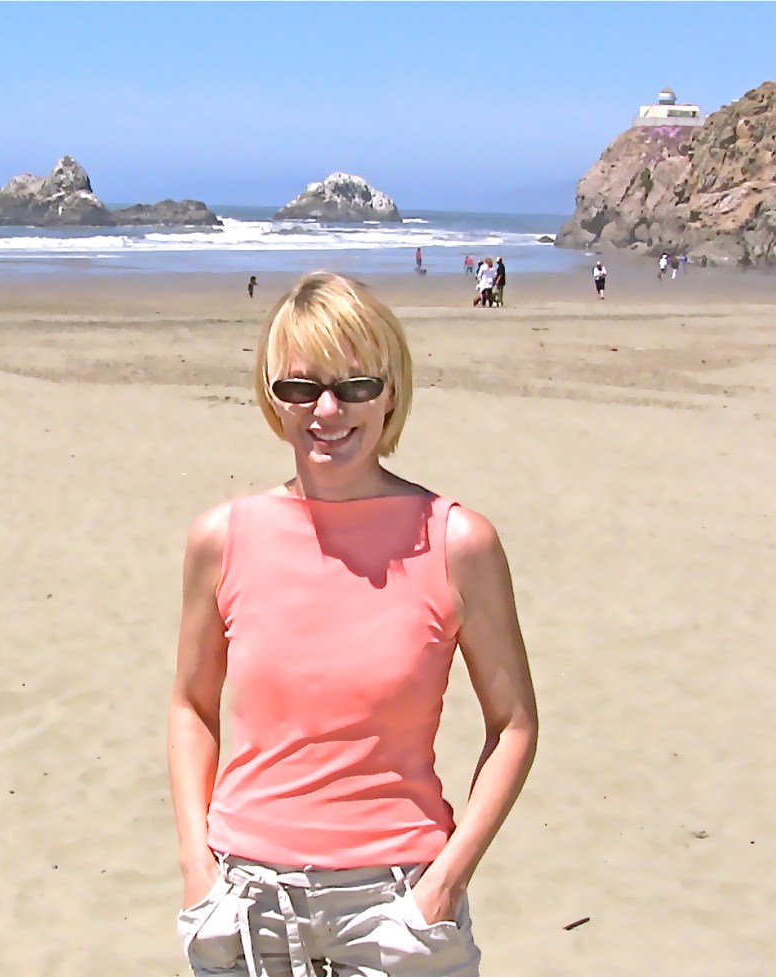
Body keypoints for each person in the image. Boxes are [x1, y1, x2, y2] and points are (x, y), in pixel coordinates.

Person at [168, 271, 538, 977]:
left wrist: (444, 884)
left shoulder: (458, 541)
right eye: (300, 387)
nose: (327, 409)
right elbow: (191, 705)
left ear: (390, 393)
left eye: (355, 385)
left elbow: (514, 724)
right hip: (243, 904)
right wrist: (196, 863)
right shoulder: (223, 536)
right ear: (271, 395)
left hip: (398, 904)